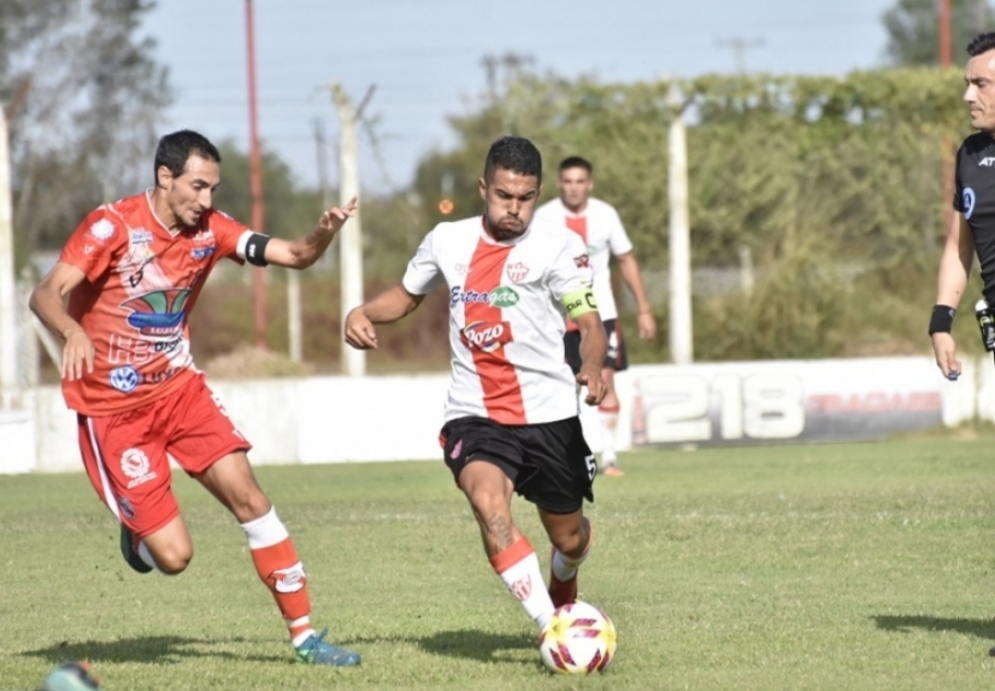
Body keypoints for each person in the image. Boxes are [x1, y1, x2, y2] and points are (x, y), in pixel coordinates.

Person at [29, 130, 361, 666]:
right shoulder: (111, 225)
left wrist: (321, 234)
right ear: (165, 177)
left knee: (251, 499)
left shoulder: (213, 231)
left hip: (181, 393)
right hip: (113, 412)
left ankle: (304, 636)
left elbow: (295, 256)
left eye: (213, 188)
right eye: (198, 187)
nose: (206, 201)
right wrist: (71, 331)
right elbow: (45, 293)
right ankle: (138, 535)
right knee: (176, 557)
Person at [344, 137, 608, 633]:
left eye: (526, 198)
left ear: (539, 193)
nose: (515, 209)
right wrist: (361, 312)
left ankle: (564, 576)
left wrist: (592, 366)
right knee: (490, 507)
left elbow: (589, 323)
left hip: (550, 415)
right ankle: (554, 628)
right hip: (477, 414)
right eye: (504, 196)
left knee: (570, 539)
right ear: (484, 187)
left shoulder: (559, 245)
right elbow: (405, 296)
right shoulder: (447, 240)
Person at [929, 34, 995, 659]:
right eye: (969, 81)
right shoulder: (971, 155)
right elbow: (959, 247)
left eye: (981, 83)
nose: (967, 93)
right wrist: (941, 317)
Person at [534, 157, 656, 477]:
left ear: (590, 184)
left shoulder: (605, 215)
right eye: (568, 181)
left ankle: (610, 457)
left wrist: (644, 308)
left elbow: (626, 260)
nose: (574, 187)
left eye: (580, 181)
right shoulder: (544, 218)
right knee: (563, 385)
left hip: (602, 313)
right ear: (560, 184)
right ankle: (568, 456)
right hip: (558, 317)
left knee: (606, 379)